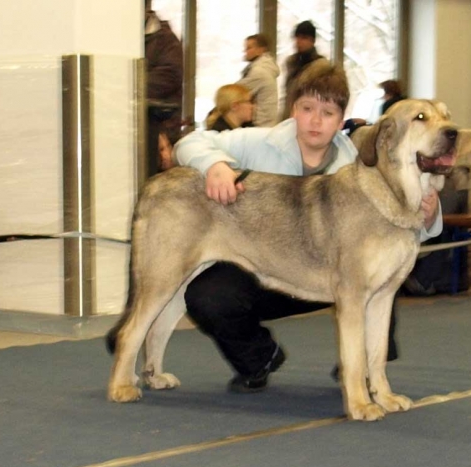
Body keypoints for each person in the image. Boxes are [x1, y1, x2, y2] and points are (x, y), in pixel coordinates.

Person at [174, 63, 442, 393]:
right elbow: (190, 143)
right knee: (207, 297)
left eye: (328, 112)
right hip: (259, 269)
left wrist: (429, 215)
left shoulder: (355, 163)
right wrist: (213, 165)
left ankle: (362, 371)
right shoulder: (256, 142)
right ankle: (259, 358)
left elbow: (397, 219)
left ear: (341, 118)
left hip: (323, 275)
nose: (316, 120)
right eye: (307, 109)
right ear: (293, 109)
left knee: (381, 272)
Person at [144, 0, 184, 176]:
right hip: (137, 128)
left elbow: (169, 77)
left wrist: (127, 85)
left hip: (159, 129)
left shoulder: (165, 40)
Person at [281, 20, 329, 120]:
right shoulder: (291, 62)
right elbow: (288, 94)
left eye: (304, 38)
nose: (299, 42)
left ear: (312, 41)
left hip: (309, 116)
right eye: (297, 38)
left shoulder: (321, 66)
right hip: (290, 114)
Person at [236, 34, 280, 127]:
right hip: (266, 125)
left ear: (261, 50)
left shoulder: (259, 72)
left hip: (258, 125)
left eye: (249, 48)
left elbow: (235, 93)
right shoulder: (266, 68)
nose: (245, 51)